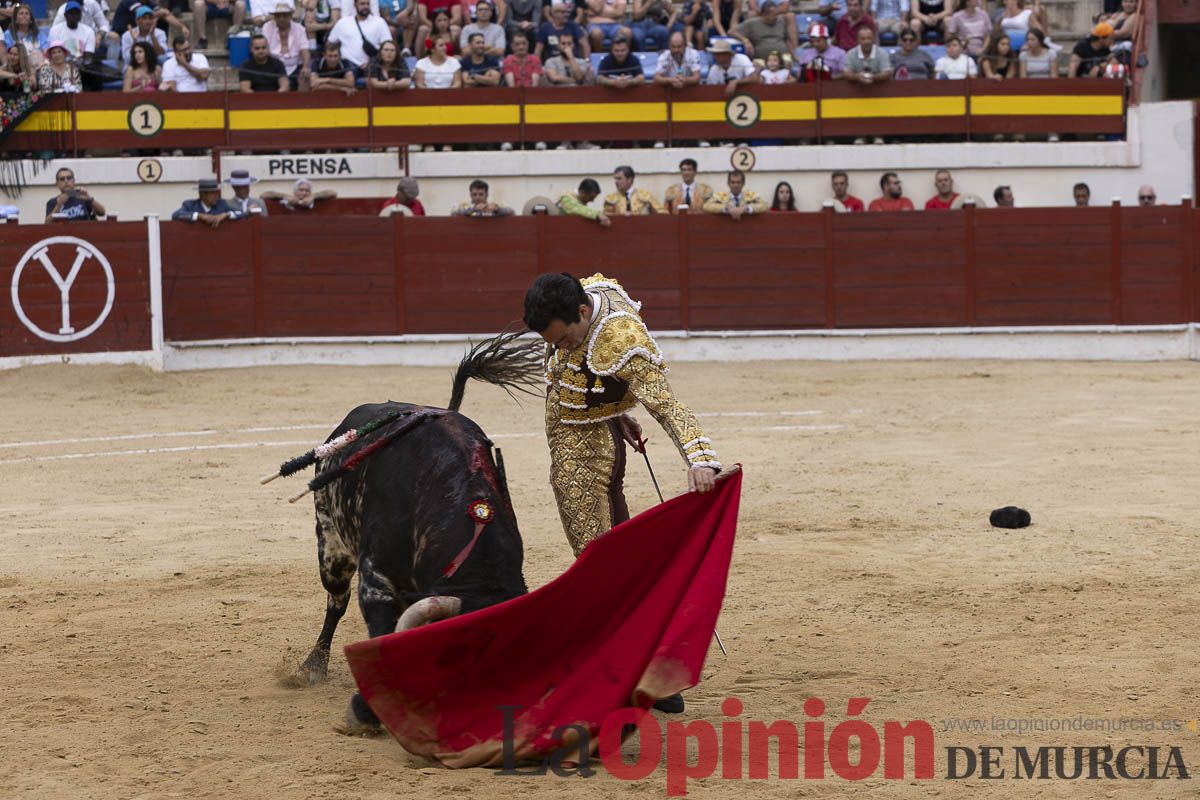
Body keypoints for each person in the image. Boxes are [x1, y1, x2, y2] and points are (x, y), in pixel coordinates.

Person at [523, 271, 720, 724]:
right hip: (597, 436)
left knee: (598, 573)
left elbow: (667, 404)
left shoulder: (620, 336)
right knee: (620, 565)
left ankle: (623, 678)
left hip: (582, 458)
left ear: (581, 312)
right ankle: (652, 673)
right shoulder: (587, 298)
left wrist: (700, 456)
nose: (563, 347)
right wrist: (615, 410)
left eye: (567, 337)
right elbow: (586, 375)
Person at [329, 0, 391, 68]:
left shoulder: (380, 22)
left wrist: (372, 62)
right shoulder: (343, 22)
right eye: (362, 4)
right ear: (355, 4)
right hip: (348, 66)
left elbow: (388, 45)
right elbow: (330, 43)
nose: (366, 6)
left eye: (367, 4)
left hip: (372, 65)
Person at [264, 2, 309, 86]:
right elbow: (264, 48)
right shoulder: (267, 27)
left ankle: (302, 99)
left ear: (290, 16)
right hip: (274, 66)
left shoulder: (299, 29)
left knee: (305, 78)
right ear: (274, 17)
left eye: (284, 15)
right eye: (278, 16)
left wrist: (306, 66)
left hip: (296, 66)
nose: (281, 18)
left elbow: (305, 49)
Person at [171, 178, 245, 227]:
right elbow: (175, 215)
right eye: (213, 193)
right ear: (202, 194)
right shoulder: (190, 205)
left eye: (217, 193)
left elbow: (242, 213)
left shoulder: (222, 204)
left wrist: (225, 214)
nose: (217, 196)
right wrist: (200, 215)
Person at [703, 169, 768, 216]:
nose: (735, 185)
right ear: (728, 183)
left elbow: (765, 205)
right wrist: (725, 207)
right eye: (733, 182)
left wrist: (746, 208)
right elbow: (706, 206)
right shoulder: (721, 196)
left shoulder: (750, 195)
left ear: (743, 183)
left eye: (738, 182)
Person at [4, 4, 47, 69]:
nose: (24, 16)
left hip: (40, 67)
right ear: (16, 19)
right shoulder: (8, 35)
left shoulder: (39, 34)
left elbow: (46, 51)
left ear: (31, 19)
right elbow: (8, 55)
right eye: (21, 13)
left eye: (27, 14)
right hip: (17, 69)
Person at [262, 178, 338, 208]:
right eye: (301, 190)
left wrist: (314, 196)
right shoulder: (286, 200)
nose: (304, 193)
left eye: (307, 190)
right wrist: (283, 195)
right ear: (295, 192)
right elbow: (263, 195)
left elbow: (333, 193)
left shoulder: (315, 200)